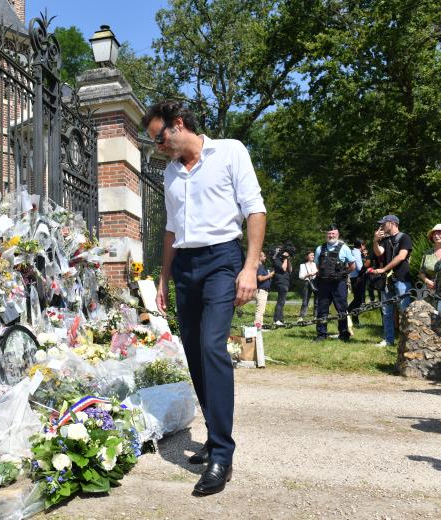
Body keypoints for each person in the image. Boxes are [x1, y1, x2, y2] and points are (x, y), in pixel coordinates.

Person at [145, 101, 266, 495]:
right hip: (186, 267)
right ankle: (214, 438)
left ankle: (222, 456)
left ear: (179, 125)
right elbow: (169, 230)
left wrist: (248, 268)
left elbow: (254, 210)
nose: (158, 147)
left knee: (214, 346)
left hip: (222, 260)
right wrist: (163, 279)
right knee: (195, 353)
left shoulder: (230, 151)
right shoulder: (169, 173)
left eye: (160, 138)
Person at [371, 215, 413, 347]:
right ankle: (388, 340)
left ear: (393, 223)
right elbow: (379, 253)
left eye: (384, 223)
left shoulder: (405, 237)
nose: (382, 226)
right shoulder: (385, 239)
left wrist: (384, 269)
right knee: (386, 312)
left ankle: (408, 341)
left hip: (402, 279)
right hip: (387, 281)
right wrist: (375, 241)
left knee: (405, 310)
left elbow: (401, 256)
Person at [314, 225, 355, 342]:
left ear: (338, 235)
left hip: (339, 284)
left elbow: (353, 265)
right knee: (322, 310)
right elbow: (317, 265)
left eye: (333, 234)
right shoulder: (319, 249)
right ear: (326, 235)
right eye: (329, 234)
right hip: (324, 283)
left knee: (341, 309)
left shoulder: (344, 248)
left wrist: (343, 274)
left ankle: (343, 334)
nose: (331, 236)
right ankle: (321, 334)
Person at [418, 224, 441, 298]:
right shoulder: (427, 253)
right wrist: (427, 281)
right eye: (434, 233)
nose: (436, 235)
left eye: (439, 233)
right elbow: (421, 272)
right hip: (429, 291)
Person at [347, 239, 367, 326]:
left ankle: (355, 319)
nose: (365, 247)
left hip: (353, 277)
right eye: (364, 245)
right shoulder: (357, 253)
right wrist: (368, 269)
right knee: (358, 299)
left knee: (357, 298)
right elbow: (359, 267)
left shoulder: (352, 251)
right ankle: (347, 312)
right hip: (358, 278)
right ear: (361, 245)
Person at [271, 248, 292, 325]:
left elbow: (290, 270)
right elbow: (283, 268)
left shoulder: (284, 260)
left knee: (282, 301)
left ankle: (281, 319)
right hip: (281, 282)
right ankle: (276, 320)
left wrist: (288, 259)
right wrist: (285, 259)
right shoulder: (276, 260)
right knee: (280, 301)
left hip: (286, 282)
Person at [254, 252, 274, 327]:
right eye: (264, 256)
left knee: (261, 310)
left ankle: (260, 326)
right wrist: (269, 275)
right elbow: (259, 278)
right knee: (260, 310)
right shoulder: (260, 266)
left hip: (262, 291)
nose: (265, 258)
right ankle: (258, 327)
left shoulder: (261, 266)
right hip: (261, 291)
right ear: (259, 257)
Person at [298, 250, 317, 320]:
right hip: (307, 283)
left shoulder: (315, 264)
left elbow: (316, 274)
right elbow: (300, 276)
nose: (313, 256)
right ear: (307, 256)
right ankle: (302, 316)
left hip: (315, 283)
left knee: (316, 300)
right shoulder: (302, 265)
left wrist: (316, 274)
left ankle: (316, 316)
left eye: (313, 255)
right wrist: (308, 274)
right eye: (311, 255)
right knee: (305, 300)